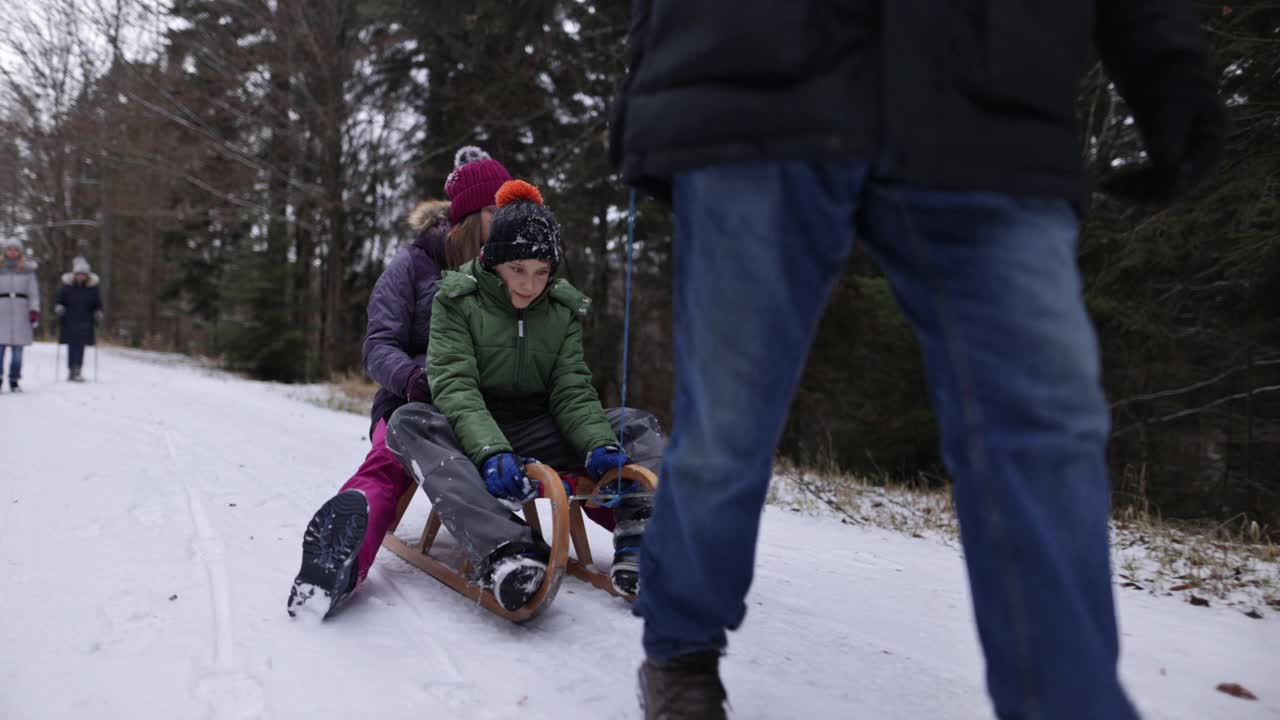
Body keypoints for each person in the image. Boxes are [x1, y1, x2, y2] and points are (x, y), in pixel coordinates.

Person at [609, 2, 1225, 719]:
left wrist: (1169, 61)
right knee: (730, 422)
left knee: (1044, 431)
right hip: (757, 71)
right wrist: (659, 67)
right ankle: (681, 650)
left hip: (990, 88)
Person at [385, 179, 663, 611]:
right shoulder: (457, 299)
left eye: (541, 272)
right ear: (493, 260)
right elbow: (454, 384)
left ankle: (644, 539)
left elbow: (571, 386)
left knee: (636, 423)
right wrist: (490, 449)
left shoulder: (561, 310)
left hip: (538, 428)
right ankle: (506, 549)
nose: (530, 285)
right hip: (474, 430)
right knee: (408, 423)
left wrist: (597, 442)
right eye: (518, 269)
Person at [287, 146, 518, 618]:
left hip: (487, 409)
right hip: (412, 400)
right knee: (389, 463)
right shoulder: (412, 267)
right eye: (499, 211)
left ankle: (655, 530)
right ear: (473, 215)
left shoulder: (513, 272)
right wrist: (415, 380)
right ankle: (337, 562)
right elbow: (378, 346)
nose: (510, 221)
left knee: (569, 449)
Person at [0, 236, 40, 393]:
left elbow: (33, 293)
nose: (12, 252)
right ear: (5, 251)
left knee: (17, 353)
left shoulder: (27, 271)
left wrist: (34, 310)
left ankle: (14, 379)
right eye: (9, 249)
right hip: (1, 311)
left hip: (21, 312)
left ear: (20, 252)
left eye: (15, 249)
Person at [55, 256, 103, 383]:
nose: (80, 277)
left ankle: (77, 369)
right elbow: (60, 300)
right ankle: (71, 369)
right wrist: (59, 308)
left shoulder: (92, 289)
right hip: (69, 321)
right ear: (74, 275)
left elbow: (97, 304)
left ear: (87, 276)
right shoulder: (67, 288)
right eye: (78, 274)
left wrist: (98, 312)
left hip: (86, 321)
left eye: (83, 275)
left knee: (81, 347)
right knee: (71, 346)